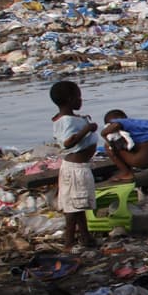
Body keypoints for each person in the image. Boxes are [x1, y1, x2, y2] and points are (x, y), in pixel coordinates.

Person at [50, 80, 98, 250]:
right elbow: (67, 143)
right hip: (75, 170)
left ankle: (85, 237)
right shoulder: (66, 121)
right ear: (70, 99)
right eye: (79, 97)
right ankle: (69, 242)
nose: (81, 100)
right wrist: (87, 129)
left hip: (80, 168)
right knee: (72, 209)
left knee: (79, 205)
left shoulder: (70, 119)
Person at [100, 110, 148, 181]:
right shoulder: (143, 123)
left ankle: (126, 173)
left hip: (141, 162)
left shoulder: (120, 122)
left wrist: (103, 133)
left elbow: (116, 125)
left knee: (107, 146)